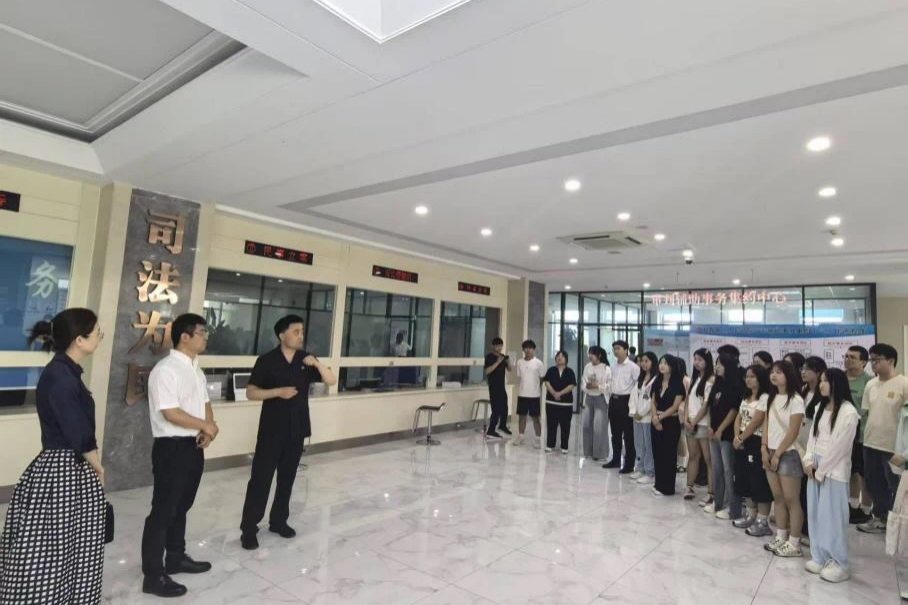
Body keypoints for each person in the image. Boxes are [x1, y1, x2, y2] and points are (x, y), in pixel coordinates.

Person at [0, 309, 105, 604]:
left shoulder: (64, 371)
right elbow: (77, 431)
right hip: (64, 469)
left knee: (66, 542)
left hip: (63, 467)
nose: (100, 338)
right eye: (97, 333)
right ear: (79, 339)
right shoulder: (61, 376)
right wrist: (97, 466)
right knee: (55, 544)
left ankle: (64, 595)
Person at [240, 315, 337, 550]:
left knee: (287, 478)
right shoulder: (266, 360)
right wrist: (277, 392)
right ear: (282, 335)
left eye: (302, 331)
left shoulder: (306, 360)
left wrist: (317, 364)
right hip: (271, 430)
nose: (300, 336)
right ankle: (249, 529)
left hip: (297, 428)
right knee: (261, 479)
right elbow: (251, 392)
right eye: (296, 331)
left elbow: (331, 380)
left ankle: (278, 521)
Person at [141, 314, 218, 598]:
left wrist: (208, 428)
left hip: (193, 446)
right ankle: (153, 575)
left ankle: (175, 557)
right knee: (163, 511)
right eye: (201, 332)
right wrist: (204, 426)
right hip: (171, 447)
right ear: (184, 337)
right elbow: (170, 412)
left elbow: (205, 403)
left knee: (182, 505)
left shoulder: (196, 369)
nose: (205, 337)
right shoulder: (166, 370)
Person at [803, 368, 859, 583]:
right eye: (821, 381)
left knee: (833, 517)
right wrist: (808, 461)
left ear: (837, 384)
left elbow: (840, 447)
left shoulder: (848, 412)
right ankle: (819, 556)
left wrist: (821, 470)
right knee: (815, 514)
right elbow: (812, 438)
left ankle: (840, 562)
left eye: (826, 381)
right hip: (815, 467)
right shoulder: (820, 407)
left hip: (834, 471)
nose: (822, 384)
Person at [858, 343, 908, 534]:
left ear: (891, 360)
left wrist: (904, 453)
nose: (873, 364)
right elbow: (867, 414)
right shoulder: (870, 384)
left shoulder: (904, 384)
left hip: (893, 447)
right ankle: (880, 519)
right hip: (870, 443)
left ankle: (899, 525)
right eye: (871, 360)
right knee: (873, 484)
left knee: (896, 487)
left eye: (877, 360)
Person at [762, 360, 806, 557]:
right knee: (778, 497)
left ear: (788, 375)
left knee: (791, 499)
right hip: (770, 452)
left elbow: (793, 431)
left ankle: (794, 543)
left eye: (779, 372)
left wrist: (778, 453)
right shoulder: (770, 398)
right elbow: (766, 425)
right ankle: (780, 536)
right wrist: (764, 448)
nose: (774, 375)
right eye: (772, 372)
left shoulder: (796, 399)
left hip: (788, 453)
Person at [733, 365, 774, 537]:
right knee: (745, 479)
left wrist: (741, 438)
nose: (748, 380)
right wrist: (737, 437)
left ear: (760, 378)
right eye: (746, 377)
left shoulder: (765, 397)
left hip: (756, 440)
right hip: (742, 439)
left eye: (752, 377)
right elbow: (739, 417)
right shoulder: (746, 395)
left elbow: (757, 420)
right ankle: (751, 515)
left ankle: (763, 521)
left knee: (759, 481)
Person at [709, 353, 744, 520]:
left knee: (729, 470)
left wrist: (721, 429)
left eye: (720, 364)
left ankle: (733, 508)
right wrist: (711, 427)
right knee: (717, 469)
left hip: (727, 434)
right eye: (716, 363)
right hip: (714, 432)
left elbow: (733, 410)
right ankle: (718, 502)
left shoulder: (736, 385)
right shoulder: (717, 384)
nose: (717, 367)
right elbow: (711, 407)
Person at [797, 356, 827, 545]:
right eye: (802, 369)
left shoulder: (823, 395)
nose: (803, 372)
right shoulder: (803, 390)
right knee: (802, 489)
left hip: (815, 445)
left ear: (817, 371)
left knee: (813, 490)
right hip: (801, 444)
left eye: (807, 369)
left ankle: (812, 530)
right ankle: (803, 526)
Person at [845, 345, 873, 524]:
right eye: (846, 356)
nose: (848, 360)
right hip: (843, 437)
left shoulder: (869, 382)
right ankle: (853, 506)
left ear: (863, 362)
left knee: (864, 474)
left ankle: (866, 509)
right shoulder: (839, 379)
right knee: (850, 472)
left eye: (852, 357)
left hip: (863, 436)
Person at [683, 348, 715, 506]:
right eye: (695, 359)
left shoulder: (711, 380)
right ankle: (689, 487)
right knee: (693, 456)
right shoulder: (694, 379)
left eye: (700, 359)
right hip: (690, 423)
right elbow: (688, 400)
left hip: (702, 424)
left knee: (709, 460)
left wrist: (694, 421)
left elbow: (706, 405)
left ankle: (711, 493)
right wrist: (686, 419)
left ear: (707, 362)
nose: (696, 362)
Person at [604, 340, 639, 472]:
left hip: (626, 401)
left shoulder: (633, 367)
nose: (616, 351)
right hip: (614, 400)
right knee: (615, 433)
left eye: (618, 348)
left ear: (626, 350)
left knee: (628, 435)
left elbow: (638, 386)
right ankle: (616, 460)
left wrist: (635, 406)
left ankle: (629, 464)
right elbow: (609, 384)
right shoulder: (612, 367)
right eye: (614, 349)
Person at [651, 355, 684, 496]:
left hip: (670, 422)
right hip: (655, 420)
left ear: (672, 366)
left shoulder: (678, 384)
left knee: (668, 455)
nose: (662, 365)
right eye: (661, 363)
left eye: (665, 363)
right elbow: (653, 402)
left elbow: (675, 406)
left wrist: (659, 418)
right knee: (657, 453)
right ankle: (658, 484)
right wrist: (655, 417)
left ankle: (667, 488)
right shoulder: (657, 381)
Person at [631, 352, 659, 485]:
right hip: (637, 417)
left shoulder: (656, 379)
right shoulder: (640, 379)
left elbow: (651, 400)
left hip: (647, 418)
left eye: (646, 361)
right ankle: (640, 468)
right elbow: (633, 396)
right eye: (642, 361)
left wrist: (641, 412)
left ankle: (650, 472)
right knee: (639, 444)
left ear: (653, 362)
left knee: (649, 446)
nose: (643, 363)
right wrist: (634, 412)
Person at [582, 346, 612, 461]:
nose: (590, 356)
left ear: (599, 355)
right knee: (587, 425)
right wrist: (587, 386)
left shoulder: (606, 368)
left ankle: (600, 454)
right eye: (589, 353)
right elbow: (583, 382)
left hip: (601, 398)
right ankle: (588, 451)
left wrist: (598, 386)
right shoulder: (587, 367)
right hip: (589, 397)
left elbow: (609, 386)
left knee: (599, 426)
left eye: (593, 354)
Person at [544, 350, 577, 454]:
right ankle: (550, 445)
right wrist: (554, 393)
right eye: (558, 356)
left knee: (565, 425)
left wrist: (560, 393)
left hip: (566, 404)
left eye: (562, 356)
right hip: (551, 402)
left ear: (566, 359)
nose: (560, 357)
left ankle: (564, 446)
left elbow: (572, 385)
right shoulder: (551, 370)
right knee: (551, 424)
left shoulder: (570, 371)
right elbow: (546, 382)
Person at [514, 339, 546, 447]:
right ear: (523, 350)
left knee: (535, 418)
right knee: (521, 417)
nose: (527, 350)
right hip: (522, 394)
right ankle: (521, 437)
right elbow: (520, 377)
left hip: (534, 395)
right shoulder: (519, 362)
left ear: (534, 349)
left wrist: (535, 388)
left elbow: (542, 378)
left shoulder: (539, 363)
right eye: (525, 348)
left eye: (530, 348)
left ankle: (538, 439)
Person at [484, 337, 513, 440]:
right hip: (493, 387)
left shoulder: (503, 357)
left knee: (504, 407)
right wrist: (497, 362)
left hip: (501, 386)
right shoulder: (489, 357)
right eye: (497, 346)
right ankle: (490, 431)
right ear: (492, 346)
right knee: (496, 409)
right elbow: (487, 371)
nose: (499, 348)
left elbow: (510, 370)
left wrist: (508, 362)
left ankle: (502, 426)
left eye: (501, 346)